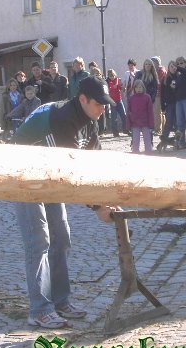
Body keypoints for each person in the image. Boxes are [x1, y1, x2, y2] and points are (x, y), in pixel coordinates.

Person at [11, 76, 120, 329]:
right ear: (82, 99)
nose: (103, 108)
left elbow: (94, 166)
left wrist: (109, 199)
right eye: (99, 103)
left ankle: (60, 302)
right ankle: (39, 309)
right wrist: (97, 207)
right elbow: (73, 176)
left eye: (105, 104)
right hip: (22, 176)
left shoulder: (91, 121)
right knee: (39, 241)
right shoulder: (62, 119)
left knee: (61, 238)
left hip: (48, 176)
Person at [127, 79, 154, 153]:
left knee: (147, 141)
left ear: (143, 88)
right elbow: (129, 112)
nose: (139, 89)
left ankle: (149, 154)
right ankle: (135, 154)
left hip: (146, 123)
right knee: (135, 141)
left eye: (140, 87)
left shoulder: (147, 97)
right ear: (134, 88)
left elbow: (150, 112)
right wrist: (129, 124)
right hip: (135, 123)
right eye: (137, 87)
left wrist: (151, 124)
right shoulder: (131, 98)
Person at [159, 60, 178, 146]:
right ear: (168, 68)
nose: (173, 68)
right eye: (171, 66)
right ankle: (163, 139)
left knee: (178, 123)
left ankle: (179, 142)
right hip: (169, 104)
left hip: (178, 103)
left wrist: (175, 88)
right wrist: (163, 106)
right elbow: (162, 94)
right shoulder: (165, 79)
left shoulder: (179, 77)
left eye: (174, 66)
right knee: (169, 122)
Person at [106, 69, 127, 137]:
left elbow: (122, 88)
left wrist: (121, 86)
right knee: (114, 117)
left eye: (113, 75)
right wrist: (111, 87)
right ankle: (115, 132)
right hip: (112, 101)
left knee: (123, 115)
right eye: (110, 76)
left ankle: (125, 129)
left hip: (119, 100)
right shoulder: (107, 81)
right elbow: (107, 90)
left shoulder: (118, 80)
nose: (112, 77)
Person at [151, 56, 167, 135]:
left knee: (157, 112)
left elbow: (158, 83)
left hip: (159, 93)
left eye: (153, 62)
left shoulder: (160, 70)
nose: (151, 64)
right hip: (158, 93)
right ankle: (163, 129)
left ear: (157, 63)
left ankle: (158, 129)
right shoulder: (157, 70)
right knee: (160, 112)